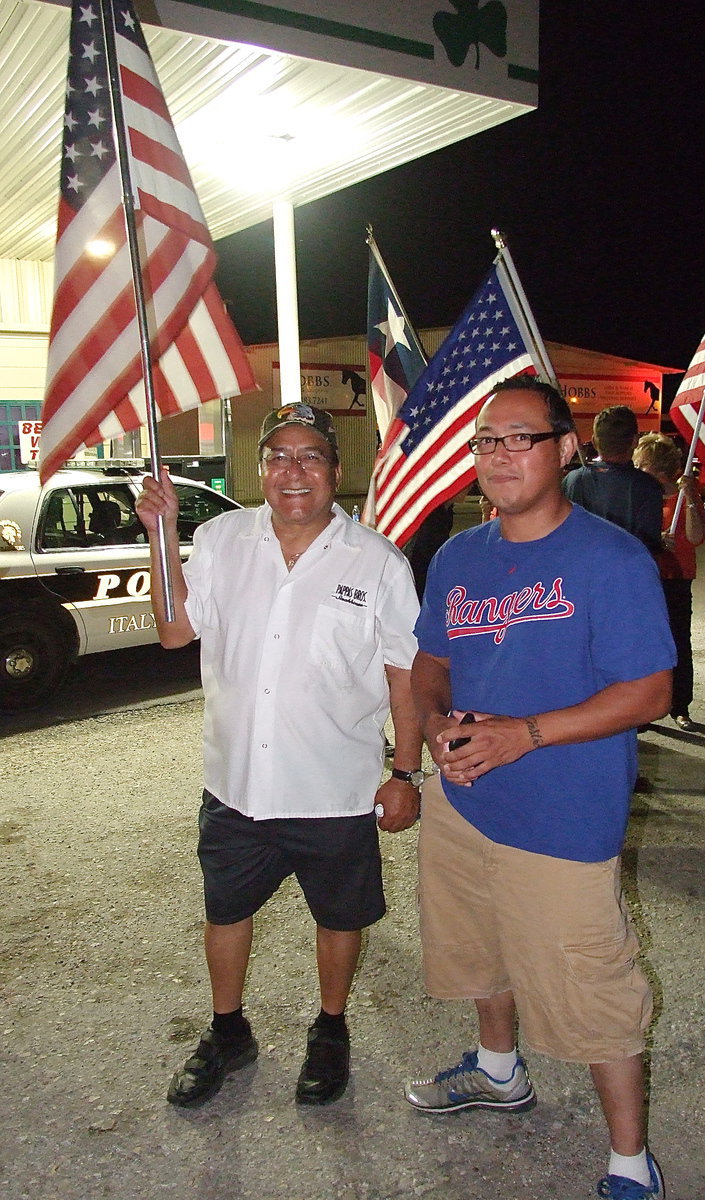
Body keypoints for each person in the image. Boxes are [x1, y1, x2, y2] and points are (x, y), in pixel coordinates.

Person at [406, 376, 676, 1199]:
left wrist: (520, 734)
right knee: (477, 952)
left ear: (564, 449)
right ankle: (497, 1071)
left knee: (593, 989)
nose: (499, 454)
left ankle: (629, 1160)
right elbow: (430, 662)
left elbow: (648, 692)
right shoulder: (459, 555)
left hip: (562, 819)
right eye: (487, 440)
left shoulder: (609, 558)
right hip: (463, 804)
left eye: (520, 437)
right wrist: (431, 730)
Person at [135, 402, 422, 1109]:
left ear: (335, 469)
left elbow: (404, 673)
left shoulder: (377, 561)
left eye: (311, 456)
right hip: (238, 787)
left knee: (339, 917)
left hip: (335, 789)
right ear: (260, 468)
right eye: (279, 456)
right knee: (226, 911)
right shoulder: (221, 539)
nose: (295, 471)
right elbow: (174, 632)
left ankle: (330, 1028)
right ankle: (227, 1030)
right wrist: (160, 531)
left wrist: (405, 772)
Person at [633, 433, 705, 731]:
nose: (638, 470)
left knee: (678, 643)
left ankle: (680, 706)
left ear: (657, 466)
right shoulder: (640, 496)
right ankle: (644, 708)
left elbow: (696, 536)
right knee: (643, 646)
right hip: (645, 579)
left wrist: (689, 498)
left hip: (676, 579)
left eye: (643, 465)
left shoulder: (682, 496)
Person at [563, 405, 663, 555]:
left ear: (595, 442)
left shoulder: (572, 481)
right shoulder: (647, 488)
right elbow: (648, 548)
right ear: (635, 441)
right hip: (625, 574)